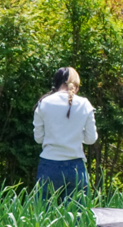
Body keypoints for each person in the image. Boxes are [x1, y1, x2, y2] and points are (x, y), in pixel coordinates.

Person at [33, 67, 98, 196]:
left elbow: (38, 138)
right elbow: (91, 139)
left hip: (49, 164)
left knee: (44, 212)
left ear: (56, 83)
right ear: (76, 85)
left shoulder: (44, 103)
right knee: (76, 214)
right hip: (76, 167)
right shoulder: (84, 103)